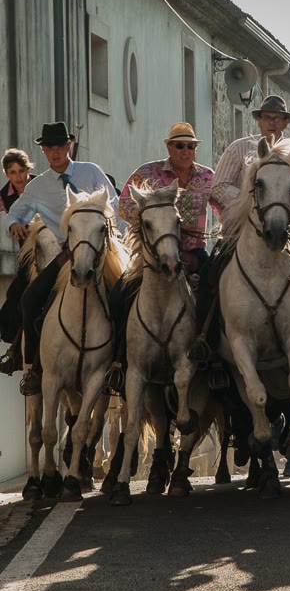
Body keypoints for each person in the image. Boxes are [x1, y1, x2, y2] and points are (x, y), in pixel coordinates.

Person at [189, 94, 290, 363]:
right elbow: (218, 185)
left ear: (286, 122)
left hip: (284, 228)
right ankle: (204, 340)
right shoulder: (239, 148)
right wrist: (250, 201)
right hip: (238, 232)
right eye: (267, 117)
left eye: (278, 118)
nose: (272, 122)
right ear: (259, 120)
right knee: (210, 274)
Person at [4, 121, 124, 395]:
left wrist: (119, 243)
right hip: (64, 255)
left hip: (101, 252)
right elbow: (15, 213)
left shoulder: (91, 172)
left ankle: (121, 363)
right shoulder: (38, 187)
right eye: (50, 147)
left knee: (123, 298)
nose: (55, 152)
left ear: (69, 146)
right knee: (30, 299)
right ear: (43, 150)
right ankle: (32, 365)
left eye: (60, 146)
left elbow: (115, 206)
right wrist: (14, 224)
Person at [104, 121, 219, 393]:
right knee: (118, 295)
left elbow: (224, 207)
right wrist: (153, 217)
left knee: (217, 294)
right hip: (152, 256)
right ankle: (118, 361)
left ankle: (213, 360)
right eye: (180, 145)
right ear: (169, 147)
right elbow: (124, 205)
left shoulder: (208, 178)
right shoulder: (148, 173)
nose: (186, 150)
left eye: (191, 146)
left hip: (194, 251)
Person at [0, 149, 37, 362]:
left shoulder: (42, 185)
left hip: (51, 249)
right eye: (13, 173)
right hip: (26, 256)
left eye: (22, 171)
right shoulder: (5, 195)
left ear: (28, 170)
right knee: (15, 297)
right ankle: (16, 350)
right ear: (7, 174)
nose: (19, 177)